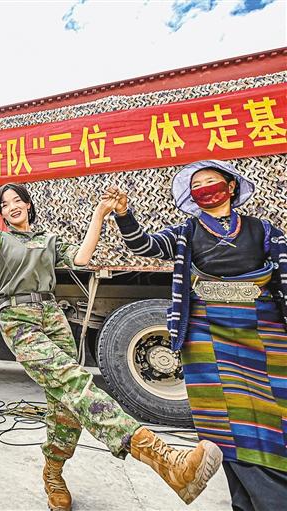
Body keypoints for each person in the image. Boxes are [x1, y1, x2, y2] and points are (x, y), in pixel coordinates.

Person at [0, 183, 222, 511]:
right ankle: (165, 460)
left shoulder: (49, 239)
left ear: (28, 204)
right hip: (17, 317)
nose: (12, 206)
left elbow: (82, 258)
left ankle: (53, 473)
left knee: (66, 404)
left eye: (18, 200)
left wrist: (100, 214)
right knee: (74, 382)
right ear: (1, 212)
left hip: (52, 315)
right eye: (4, 203)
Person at [109, 159, 287, 511]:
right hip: (208, 332)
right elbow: (143, 245)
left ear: (231, 187)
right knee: (226, 424)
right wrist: (124, 214)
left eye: (211, 181)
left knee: (272, 419)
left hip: (263, 330)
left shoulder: (263, 230)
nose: (204, 188)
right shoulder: (185, 232)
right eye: (197, 185)